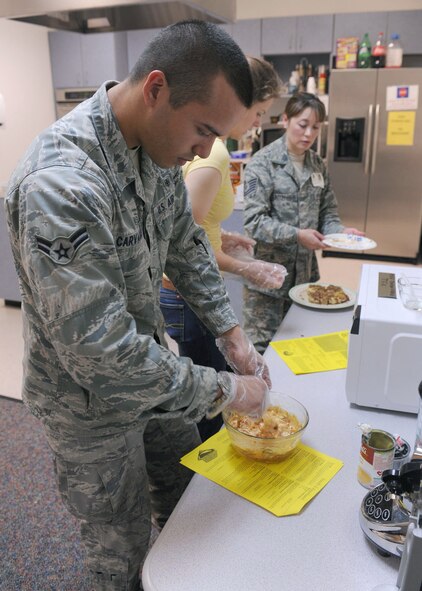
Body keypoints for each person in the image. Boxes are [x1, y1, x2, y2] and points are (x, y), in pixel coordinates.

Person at [5, 21, 271, 591]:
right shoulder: (63, 184)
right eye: (203, 130)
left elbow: (184, 239)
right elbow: (104, 359)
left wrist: (229, 331)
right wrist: (228, 390)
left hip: (152, 371)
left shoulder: (158, 150)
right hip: (88, 408)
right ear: (155, 88)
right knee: (119, 549)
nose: (206, 151)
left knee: (188, 497)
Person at [160, 56, 286, 441]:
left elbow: (189, 225)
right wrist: (246, 268)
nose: (257, 124)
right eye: (259, 113)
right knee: (210, 403)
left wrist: (224, 239)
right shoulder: (212, 155)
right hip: (186, 294)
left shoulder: (211, 152)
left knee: (212, 378)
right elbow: (184, 246)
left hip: (194, 290)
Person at [242, 92, 364, 353]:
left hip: (305, 278)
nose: (309, 134)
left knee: (300, 345)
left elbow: (327, 213)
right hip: (268, 281)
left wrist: (341, 232)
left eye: (316, 127)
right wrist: (297, 235)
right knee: (263, 350)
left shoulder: (317, 165)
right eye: (302, 125)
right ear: (286, 120)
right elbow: (254, 222)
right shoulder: (262, 165)